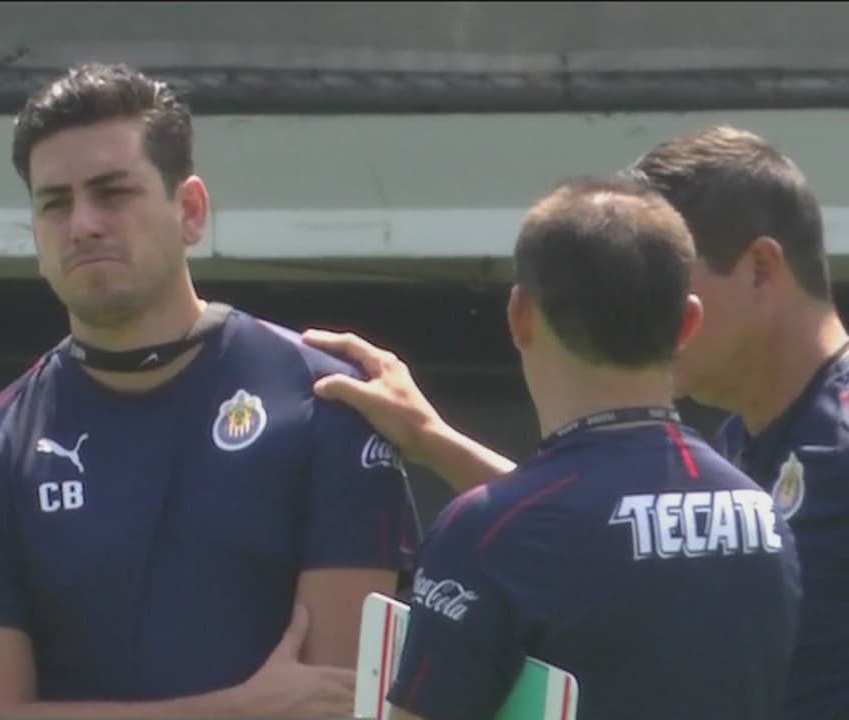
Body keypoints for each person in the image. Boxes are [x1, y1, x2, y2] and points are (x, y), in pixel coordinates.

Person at [0, 62, 420, 718]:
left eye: (112, 193)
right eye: (55, 203)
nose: (83, 224)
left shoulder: (327, 401)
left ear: (190, 211)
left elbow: (332, 703)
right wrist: (239, 710)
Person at [307, 125, 846, 720]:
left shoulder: (836, 441)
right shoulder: (735, 447)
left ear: (760, 268)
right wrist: (433, 441)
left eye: (668, 276)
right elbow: (602, 531)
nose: (641, 300)